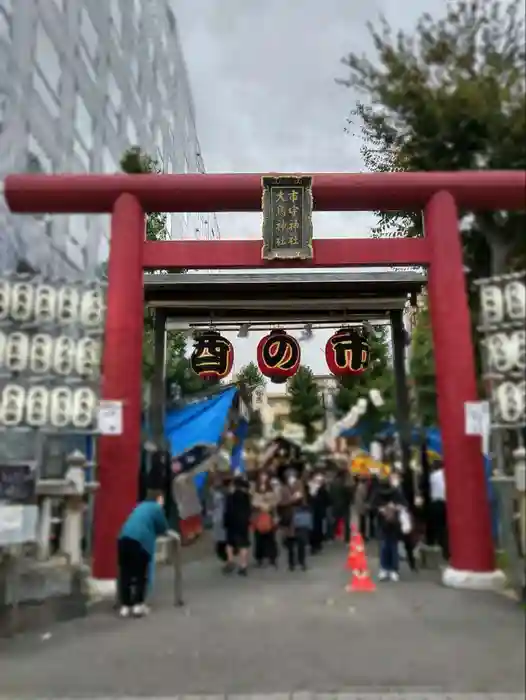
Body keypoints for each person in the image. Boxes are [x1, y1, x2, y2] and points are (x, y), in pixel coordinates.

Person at [117, 494, 179, 618]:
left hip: (123, 538)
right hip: (140, 541)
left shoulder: (139, 507)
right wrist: (172, 533)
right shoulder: (156, 508)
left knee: (125, 574)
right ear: (157, 500)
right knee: (141, 574)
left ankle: (125, 606)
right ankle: (138, 605)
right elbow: (163, 527)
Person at [372, 473, 407, 582]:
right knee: (392, 546)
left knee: (385, 546)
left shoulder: (377, 492)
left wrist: (381, 509)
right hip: (392, 523)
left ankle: (385, 569)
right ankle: (392, 569)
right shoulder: (395, 492)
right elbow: (404, 504)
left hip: (385, 523)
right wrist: (394, 507)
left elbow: (372, 506)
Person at [278, 469, 310, 571]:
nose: (291, 479)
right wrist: (291, 500)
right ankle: (291, 563)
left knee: (301, 541)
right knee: (290, 543)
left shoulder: (300, 486)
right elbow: (280, 503)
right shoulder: (283, 488)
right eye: (289, 477)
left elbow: (304, 500)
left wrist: (298, 497)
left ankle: (302, 562)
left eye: (293, 476)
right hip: (288, 517)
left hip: (299, 516)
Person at [223, 475, 252, 575]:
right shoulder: (246, 496)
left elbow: (228, 511)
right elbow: (249, 510)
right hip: (243, 523)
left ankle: (230, 562)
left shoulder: (230, 496)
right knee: (243, 544)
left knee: (230, 544)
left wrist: (225, 522)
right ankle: (243, 566)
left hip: (232, 523)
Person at [252, 470, 279, 567]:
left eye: (265, 475)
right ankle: (259, 558)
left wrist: (270, 506)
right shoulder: (254, 487)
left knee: (271, 537)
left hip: (269, 515)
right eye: (261, 476)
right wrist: (260, 504)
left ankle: (272, 557)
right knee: (258, 538)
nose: (263, 478)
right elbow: (252, 501)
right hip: (258, 516)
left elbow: (275, 501)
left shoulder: (271, 488)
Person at [429, 462, 449, 561]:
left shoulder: (433, 476)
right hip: (448, 503)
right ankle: (448, 550)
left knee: (439, 527)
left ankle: (441, 545)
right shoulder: (449, 475)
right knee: (447, 527)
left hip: (436, 503)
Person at [329, 468, 353, 543]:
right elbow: (348, 494)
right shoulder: (344, 483)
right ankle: (347, 538)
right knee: (346, 522)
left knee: (334, 521)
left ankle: (331, 536)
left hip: (335, 505)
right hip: (344, 505)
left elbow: (330, 494)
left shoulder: (333, 483)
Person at [308, 472, 329, 554]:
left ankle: (315, 545)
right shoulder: (320, 489)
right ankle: (316, 545)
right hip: (317, 512)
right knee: (316, 528)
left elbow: (327, 500)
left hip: (316, 512)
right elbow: (328, 501)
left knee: (315, 528)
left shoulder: (319, 489)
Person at [209, 472, 228, 563]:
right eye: (216, 480)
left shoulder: (224, 491)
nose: (218, 482)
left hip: (223, 515)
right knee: (219, 534)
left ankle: (224, 551)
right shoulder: (211, 491)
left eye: (219, 480)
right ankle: (221, 551)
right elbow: (210, 505)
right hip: (217, 516)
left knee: (223, 534)